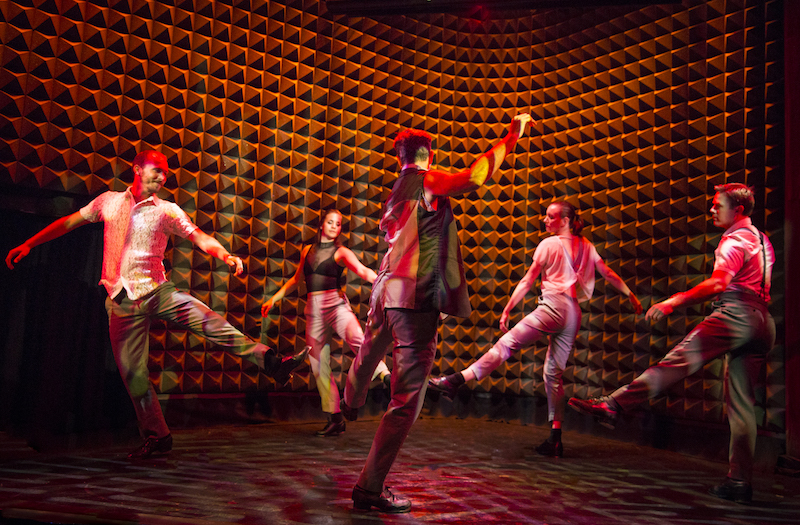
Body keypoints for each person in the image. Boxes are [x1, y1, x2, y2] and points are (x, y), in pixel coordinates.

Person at [5, 150, 308, 459]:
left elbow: (199, 237)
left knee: (211, 323)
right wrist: (29, 243)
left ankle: (272, 362)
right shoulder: (108, 202)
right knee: (134, 376)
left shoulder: (167, 210)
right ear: (137, 168)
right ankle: (158, 435)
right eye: (157, 170)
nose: (162, 177)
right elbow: (69, 223)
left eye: (166, 173)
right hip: (120, 301)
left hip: (158, 292)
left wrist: (225, 255)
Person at [338, 112, 535, 513]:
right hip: (414, 299)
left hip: (384, 290)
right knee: (407, 399)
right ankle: (369, 487)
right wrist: (510, 138)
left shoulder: (397, 190)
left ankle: (350, 400)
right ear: (430, 156)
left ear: (400, 158)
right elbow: (474, 178)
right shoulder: (428, 181)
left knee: (369, 351)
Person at [568, 183, 775, 504]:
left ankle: (614, 405)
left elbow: (719, 283)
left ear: (738, 210)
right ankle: (739, 482)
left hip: (736, 314)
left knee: (676, 361)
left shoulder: (733, 239)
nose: (711, 210)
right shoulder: (762, 240)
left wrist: (673, 301)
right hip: (763, 322)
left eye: (717, 205)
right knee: (742, 405)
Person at [429, 201, 642, 457]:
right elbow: (607, 273)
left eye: (551, 217)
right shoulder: (587, 246)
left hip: (552, 307)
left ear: (565, 221)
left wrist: (508, 308)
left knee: (506, 345)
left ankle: (454, 381)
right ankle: (555, 437)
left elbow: (528, 280)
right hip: (573, 314)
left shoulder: (548, 244)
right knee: (553, 375)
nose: (545, 220)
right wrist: (630, 294)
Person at [261, 208, 391, 437]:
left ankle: (385, 377)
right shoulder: (307, 251)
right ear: (322, 224)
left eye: (338, 224)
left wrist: (385, 284)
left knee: (359, 341)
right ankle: (335, 418)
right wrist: (274, 299)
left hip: (336, 305)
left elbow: (363, 271)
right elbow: (296, 279)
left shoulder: (341, 252)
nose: (334, 226)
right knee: (318, 363)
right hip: (313, 309)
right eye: (330, 222)